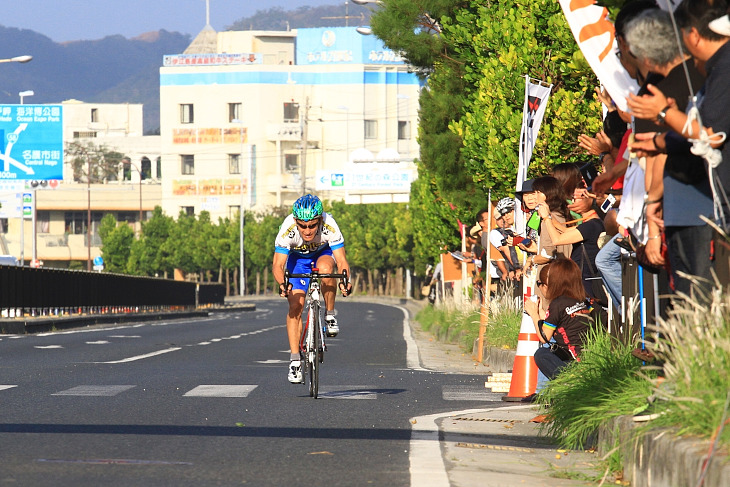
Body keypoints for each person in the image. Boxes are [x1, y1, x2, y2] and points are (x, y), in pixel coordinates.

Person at [272, 194, 352, 384]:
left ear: (320, 220)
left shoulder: (329, 224)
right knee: (296, 307)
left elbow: (341, 260)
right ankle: (294, 360)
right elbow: (278, 265)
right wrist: (283, 284)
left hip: (322, 255)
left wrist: (345, 281)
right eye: (303, 225)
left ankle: (330, 315)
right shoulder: (287, 229)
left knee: (326, 270)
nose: (307, 231)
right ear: (295, 221)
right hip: (297, 260)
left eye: (312, 225)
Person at [524, 259, 593, 380]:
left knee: (542, 354)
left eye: (540, 283)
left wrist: (534, 315)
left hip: (575, 360)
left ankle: (568, 383)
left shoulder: (558, 303)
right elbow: (560, 321)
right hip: (590, 358)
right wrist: (541, 313)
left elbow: (544, 337)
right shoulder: (582, 300)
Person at [536, 191, 606, 300]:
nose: (573, 201)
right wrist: (548, 214)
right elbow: (563, 230)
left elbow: (557, 240)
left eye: (578, 198)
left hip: (585, 281)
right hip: (584, 278)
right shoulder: (594, 222)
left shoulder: (590, 226)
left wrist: (546, 218)